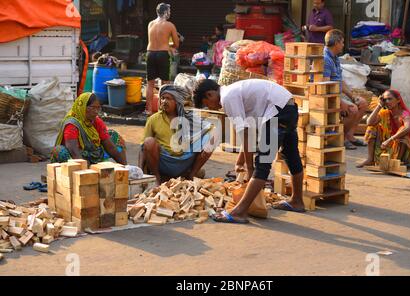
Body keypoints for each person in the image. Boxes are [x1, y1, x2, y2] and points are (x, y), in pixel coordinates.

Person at [193, 79, 306, 224]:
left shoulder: (227, 98)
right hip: (288, 107)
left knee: (262, 165)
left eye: (206, 103)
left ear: (209, 94)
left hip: (277, 112)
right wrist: (241, 160)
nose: (211, 107)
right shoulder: (235, 91)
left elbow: (245, 133)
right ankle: (297, 201)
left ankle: (239, 212)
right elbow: (249, 131)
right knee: (291, 154)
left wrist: (250, 167)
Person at [139, 84, 214, 185]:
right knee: (149, 142)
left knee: (210, 139)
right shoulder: (153, 119)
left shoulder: (189, 118)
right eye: (162, 98)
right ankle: (157, 177)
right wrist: (140, 172)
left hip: (184, 160)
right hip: (164, 161)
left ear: (177, 102)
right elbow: (143, 147)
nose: (164, 101)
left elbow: (208, 129)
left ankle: (191, 175)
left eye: (169, 98)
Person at [323, 29, 369, 150]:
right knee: (352, 109)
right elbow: (325, 86)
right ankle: (341, 138)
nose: (343, 45)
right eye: (342, 42)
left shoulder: (335, 58)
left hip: (337, 93)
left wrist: (352, 96)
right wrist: (339, 102)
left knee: (362, 103)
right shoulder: (325, 59)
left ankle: (350, 136)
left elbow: (340, 82)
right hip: (327, 96)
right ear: (337, 42)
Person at [51, 93, 127, 165]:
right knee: (59, 150)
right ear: (83, 107)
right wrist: (87, 172)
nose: (96, 112)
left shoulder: (96, 121)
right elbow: (74, 152)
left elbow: (110, 147)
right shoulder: (72, 124)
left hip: (94, 154)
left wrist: (125, 168)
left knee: (114, 136)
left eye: (98, 108)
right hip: (77, 157)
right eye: (93, 108)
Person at [357, 90, 410, 169]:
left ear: (398, 100)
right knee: (371, 128)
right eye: (385, 100)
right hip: (388, 145)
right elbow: (369, 122)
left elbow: (408, 127)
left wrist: (390, 140)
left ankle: (396, 161)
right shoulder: (385, 113)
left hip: (403, 148)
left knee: (403, 132)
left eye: (390, 99)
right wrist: (379, 106)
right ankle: (370, 159)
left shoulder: (404, 113)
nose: (387, 102)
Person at [145, 3, 180, 115]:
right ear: (165, 12)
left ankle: (148, 110)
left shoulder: (150, 24)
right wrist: (170, 47)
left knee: (150, 84)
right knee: (165, 83)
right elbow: (177, 44)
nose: (170, 13)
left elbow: (152, 40)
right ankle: (163, 110)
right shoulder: (169, 25)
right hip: (162, 54)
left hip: (150, 53)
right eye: (169, 11)